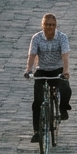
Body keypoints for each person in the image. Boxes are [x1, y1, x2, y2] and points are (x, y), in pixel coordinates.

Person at [25, 13, 71, 142]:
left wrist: (66, 71)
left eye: (52, 25)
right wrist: (28, 70)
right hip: (42, 69)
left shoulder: (62, 37)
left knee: (66, 88)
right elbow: (32, 55)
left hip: (57, 69)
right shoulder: (36, 38)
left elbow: (65, 55)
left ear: (55, 26)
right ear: (42, 25)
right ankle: (37, 131)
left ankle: (63, 108)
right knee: (37, 102)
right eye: (47, 25)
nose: (50, 27)